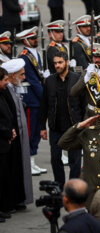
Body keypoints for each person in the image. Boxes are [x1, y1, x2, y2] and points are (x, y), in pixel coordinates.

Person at [39, 51, 83, 190]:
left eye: (60, 62)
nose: (57, 66)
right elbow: (44, 105)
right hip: (55, 128)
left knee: (75, 160)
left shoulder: (77, 79)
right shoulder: (50, 81)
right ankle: (59, 185)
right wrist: (42, 127)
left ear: (67, 62)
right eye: (55, 63)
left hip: (74, 127)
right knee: (55, 158)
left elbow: (84, 104)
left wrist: (84, 125)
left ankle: (73, 187)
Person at [2, 58, 33, 210]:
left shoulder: (11, 88)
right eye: (21, 75)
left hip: (18, 137)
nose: (24, 77)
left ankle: (19, 199)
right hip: (11, 138)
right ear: (12, 75)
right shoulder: (5, 90)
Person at [17, 26, 47, 176]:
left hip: (36, 99)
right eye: (33, 38)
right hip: (31, 99)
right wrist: (45, 97)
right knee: (30, 132)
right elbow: (34, 81)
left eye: (36, 38)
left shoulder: (34, 54)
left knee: (35, 132)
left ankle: (32, 161)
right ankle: (28, 163)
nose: (36, 40)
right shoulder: (24, 57)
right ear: (25, 40)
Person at [0, 67, 23, 222]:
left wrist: (11, 130)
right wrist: (8, 132)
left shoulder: (2, 93)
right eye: (5, 80)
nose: (7, 83)